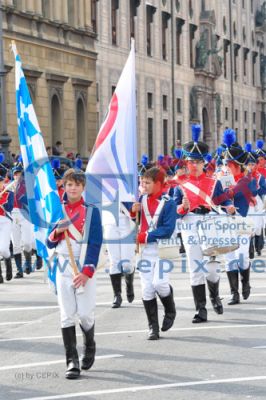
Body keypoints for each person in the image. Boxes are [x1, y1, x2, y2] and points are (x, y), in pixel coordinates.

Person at [174, 125, 235, 323]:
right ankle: (201, 309)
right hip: (189, 222)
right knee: (195, 267)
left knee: (212, 269)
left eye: (198, 162)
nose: (194, 165)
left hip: (209, 222)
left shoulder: (212, 182)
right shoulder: (180, 183)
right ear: (186, 162)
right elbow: (173, 210)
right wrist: (182, 208)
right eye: (191, 161)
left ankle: (215, 295)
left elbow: (222, 199)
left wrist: (229, 206)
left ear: (203, 163)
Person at [47, 169, 102, 379]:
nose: (73, 188)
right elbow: (48, 241)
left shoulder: (91, 211)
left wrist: (87, 271)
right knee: (66, 313)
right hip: (63, 264)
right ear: (64, 186)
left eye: (77, 185)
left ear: (83, 187)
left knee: (86, 314)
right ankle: (72, 360)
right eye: (69, 184)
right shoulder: (58, 210)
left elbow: (96, 242)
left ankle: (89, 343)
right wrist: (57, 231)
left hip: (84, 262)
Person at [132, 167, 177, 340]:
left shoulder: (169, 202)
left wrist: (146, 236)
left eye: (147, 183)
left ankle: (170, 309)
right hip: (144, 251)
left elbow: (168, 229)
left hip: (162, 249)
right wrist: (132, 212)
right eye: (142, 182)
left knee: (159, 284)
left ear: (158, 183)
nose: (144, 186)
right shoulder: (141, 200)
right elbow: (135, 221)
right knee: (147, 289)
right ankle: (153, 327)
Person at [222, 132, 258, 305]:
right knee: (229, 257)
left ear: (237, 165)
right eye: (226, 164)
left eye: (230, 164)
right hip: (226, 221)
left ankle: (245, 282)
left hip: (242, 218)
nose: (227, 167)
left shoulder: (248, 178)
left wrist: (232, 189)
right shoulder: (221, 179)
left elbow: (250, 192)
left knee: (242, 255)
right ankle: (234, 293)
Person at [0, 167, 14, 283]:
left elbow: (10, 208)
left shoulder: (9, 193)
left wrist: (2, 201)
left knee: (4, 249)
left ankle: (8, 263)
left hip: (5, 221)